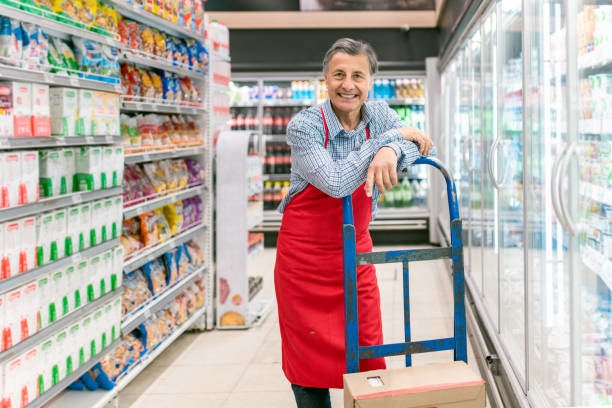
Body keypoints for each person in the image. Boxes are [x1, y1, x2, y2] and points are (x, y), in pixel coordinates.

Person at [274, 38, 434, 408]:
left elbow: (426, 146)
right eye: (339, 75)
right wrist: (387, 139)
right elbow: (334, 182)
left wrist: (391, 149)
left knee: (367, 350)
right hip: (303, 261)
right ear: (325, 79)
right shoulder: (305, 126)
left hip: (355, 255)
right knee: (306, 362)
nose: (348, 84)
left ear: (370, 79)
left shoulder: (378, 113)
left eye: (358, 75)